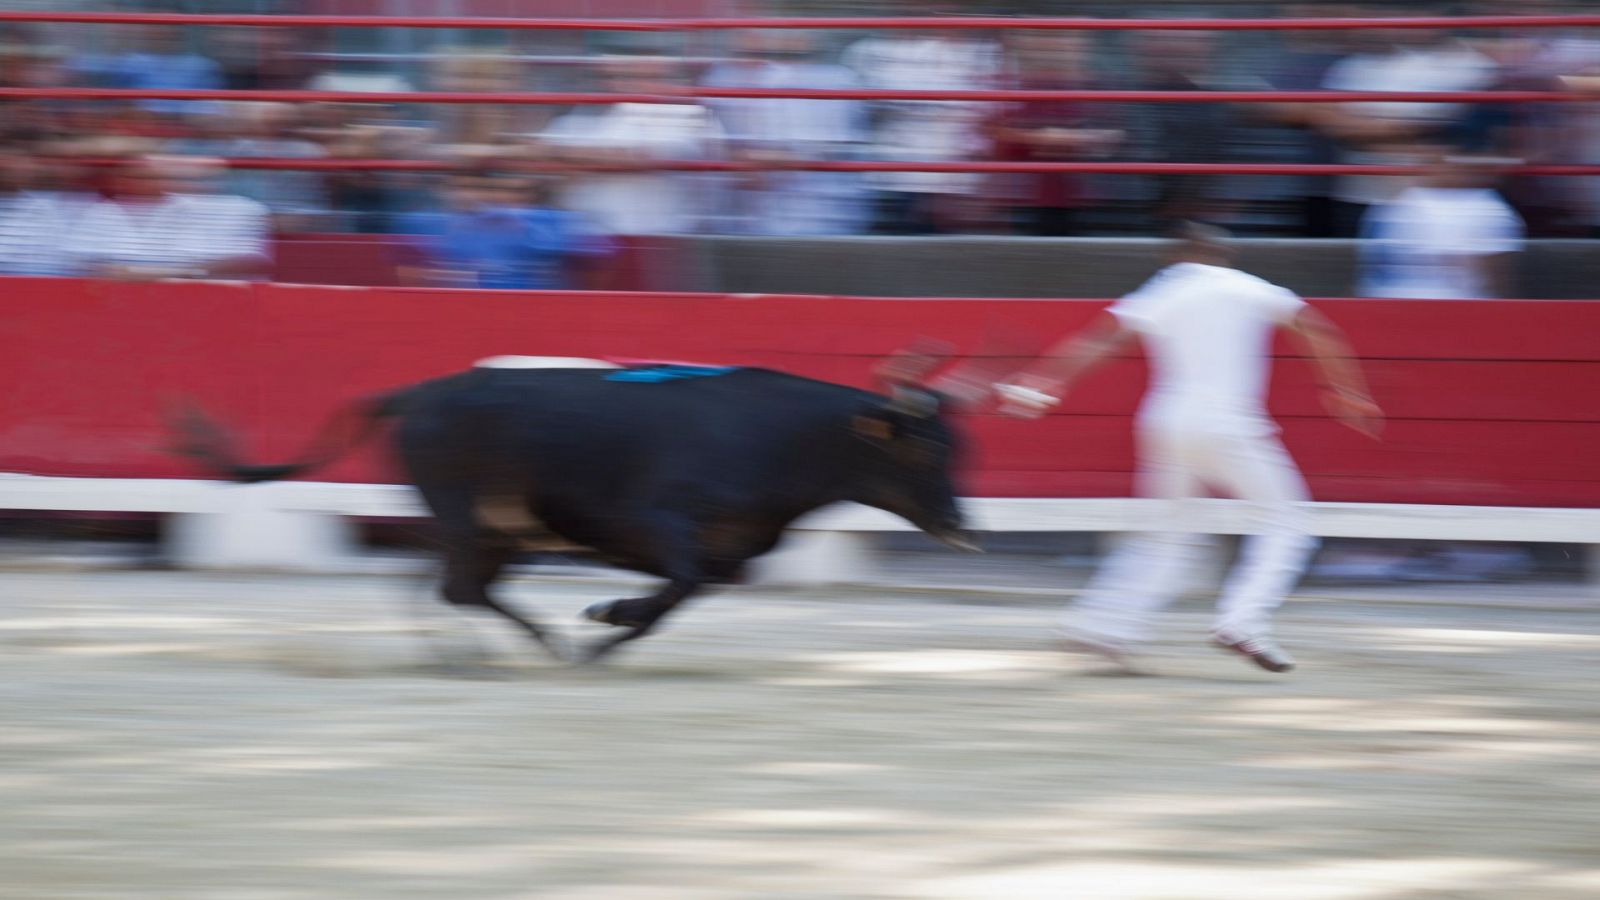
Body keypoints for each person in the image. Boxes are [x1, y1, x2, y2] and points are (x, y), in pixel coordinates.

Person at [996, 223, 1382, 673]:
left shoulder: (1166, 288)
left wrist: (1046, 380)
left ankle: (1105, 625)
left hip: (1166, 420)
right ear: (1223, 254)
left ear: (1174, 256)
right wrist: (1347, 391)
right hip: (1229, 424)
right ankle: (1244, 621)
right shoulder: (1247, 286)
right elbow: (1316, 329)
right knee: (1286, 520)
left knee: (1167, 531)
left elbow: (1102, 338)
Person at [68, 155, 270, 281]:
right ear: (118, 181)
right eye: (135, 177)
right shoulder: (100, 212)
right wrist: (186, 274)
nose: (143, 183)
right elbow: (99, 272)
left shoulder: (237, 207)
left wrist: (145, 275)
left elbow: (247, 262)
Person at [398, 171, 611, 290]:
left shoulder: (553, 220)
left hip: (539, 308)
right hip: (461, 308)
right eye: (462, 187)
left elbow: (598, 257)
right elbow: (414, 276)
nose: (500, 197)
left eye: (514, 190)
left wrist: (525, 228)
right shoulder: (428, 222)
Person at [1357, 151, 1524, 299]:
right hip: (1398, 313)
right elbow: (1500, 287)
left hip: (1440, 314)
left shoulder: (1488, 208)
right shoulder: (1488, 208)